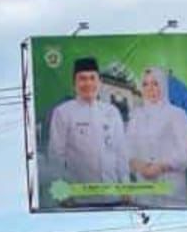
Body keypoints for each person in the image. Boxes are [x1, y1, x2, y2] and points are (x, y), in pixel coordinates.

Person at [47, 57, 129, 186]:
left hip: (113, 195)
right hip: (78, 197)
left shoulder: (112, 112)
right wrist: (61, 192)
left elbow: (121, 153)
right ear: (74, 83)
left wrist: (126, 186)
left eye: (92, 78)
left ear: (99, 82)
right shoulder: (62, 112)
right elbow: (56, 156)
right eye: (82, 79)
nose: (88, 83)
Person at [125, 66, 187, 205]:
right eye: (145, 84)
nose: (150, 89)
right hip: (144, 192)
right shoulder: (136, 116)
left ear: (163, 86)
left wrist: (161, 166)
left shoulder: (177, 114)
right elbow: (127, 149)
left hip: (172, 190)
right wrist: (139, 166)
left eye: (155, 83)